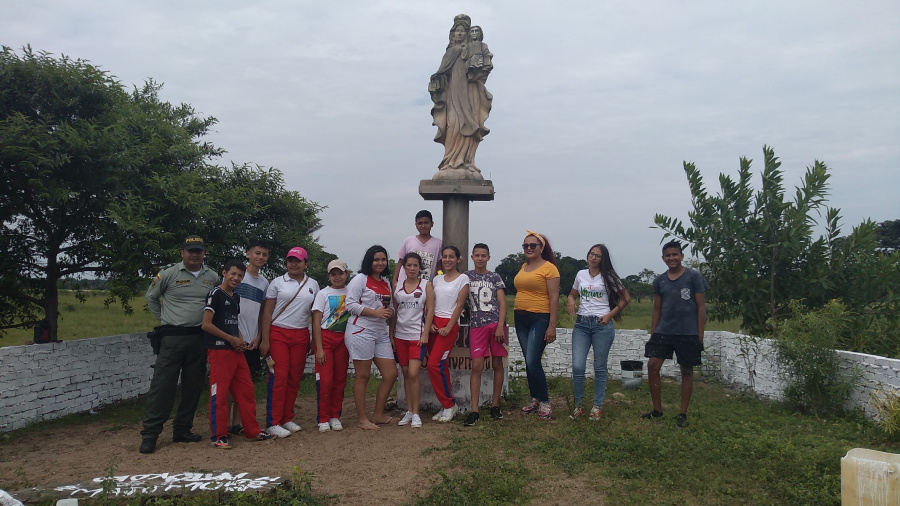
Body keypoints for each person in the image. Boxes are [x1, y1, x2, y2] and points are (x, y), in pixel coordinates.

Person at [140, 235, 219, 454]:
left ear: (204, 254)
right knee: (162, 386)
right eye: (190, 251)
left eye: (198, 251)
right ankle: (150, 434)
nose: (194, 255)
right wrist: (164, 318)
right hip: (172, 338)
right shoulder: (168, 274)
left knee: (193, 386)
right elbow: (151, 297)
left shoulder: (212, 276)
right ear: (182, 252)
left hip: (199, 338)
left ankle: (182, 429)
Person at [201, 259, 276, 448]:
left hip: (235, 350)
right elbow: (206, 324)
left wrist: (240, 340)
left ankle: (252, 431)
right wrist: (230, 339)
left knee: (246, 391)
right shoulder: (215, 294)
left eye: (240, 275)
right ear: (224, 272)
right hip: (219, 350)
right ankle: (218, 436)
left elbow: (234, 323)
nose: (236, 278)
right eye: (233, 274)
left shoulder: (235, 297)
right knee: (219, 394)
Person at [642, 241, 708, 428]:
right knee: (653, 365)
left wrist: (700, 335)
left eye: (675, 254)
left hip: (688, 332)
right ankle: (657, 410)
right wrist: (653, 334)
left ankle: (682, 413)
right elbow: (657, 309)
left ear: (681, 256)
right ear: (663, 258)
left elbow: (701, 307)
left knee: (686, 370)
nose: (671, 258)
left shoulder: (693, 277)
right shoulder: (660, 281)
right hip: (664, 330)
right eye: (668, 255)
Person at [259, 247, 320, 438]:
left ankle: (286, 417)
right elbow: (267, 312)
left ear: (305, 264)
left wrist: (313, 339)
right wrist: (265, 339)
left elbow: (315, 314)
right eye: (290, 260)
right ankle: (273, 422)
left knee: (294, 378)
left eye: (298, 261)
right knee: (279, 377)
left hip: (301, 334)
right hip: (278, 333)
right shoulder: (277, 282)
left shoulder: (313, 284)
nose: (293, 264)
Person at [566, 244, 631, 420]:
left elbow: (626, 298)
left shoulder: (609, 276)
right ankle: (579, 406)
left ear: (603, 259)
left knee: (600, 366)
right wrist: (571, 300)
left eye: (598, 255)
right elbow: (572, 294)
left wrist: (609, 315)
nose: (593, 257)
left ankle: (597, 406)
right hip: (581, 324)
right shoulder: (581, 274)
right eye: (591, 254)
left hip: (601, 324)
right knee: (578, 366)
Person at [428, 14, 492, 174]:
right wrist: (436, 82)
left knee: (470, 123)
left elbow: (482, 70)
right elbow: (442, 75)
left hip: (470, 94)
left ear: (467, 33)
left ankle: (467, 161)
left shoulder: (471, 50)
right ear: (452, 34)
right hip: (452, 96)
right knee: (453, 125)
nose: (459, 33)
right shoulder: (450, 52)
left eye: (463, 31)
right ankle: (450, 160)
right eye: (457, 30)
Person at [345, 245, 399, 430]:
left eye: (383, 259)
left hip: (380, 332)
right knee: (363, 375)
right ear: (369, 260)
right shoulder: (360, 279)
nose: (380, 263)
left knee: (391, 374)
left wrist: (390, 312)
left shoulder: (385, 282)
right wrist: (374, 313)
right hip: (361, 330)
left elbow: (390, 308)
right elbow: (350, 305)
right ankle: (362, 419)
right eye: (376, 259)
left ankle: (377, 414)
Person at [513, 230, 560, 420]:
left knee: (533, 360)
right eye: (526, 245)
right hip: (520, 317)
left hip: (539, 318)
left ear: (542, 248)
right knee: (529, 360)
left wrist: (552, 325)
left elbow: (554, 297)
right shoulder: (524, 266)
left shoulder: (549, 268)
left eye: (533, 245)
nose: (529, 248)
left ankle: (545, 401)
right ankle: (535, 398)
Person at [228, 240, 270, 436]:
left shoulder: (264, 283)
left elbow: (262, 313)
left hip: (252, 341)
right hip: (233, 339)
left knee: (244, 384)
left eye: (264, 254)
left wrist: (259, 337)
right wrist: (236, 335)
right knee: (229, 385)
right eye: (257, 253)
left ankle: (237, 423)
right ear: (248, 253)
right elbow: (228, 309)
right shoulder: (237, 277)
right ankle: (223, 425)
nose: (260, 257)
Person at [463, 243, 507, 426]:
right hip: (476, 325)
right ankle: (474, 409)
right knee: (477, 366)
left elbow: (502, 302)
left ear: (488, 257)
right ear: (472, 257)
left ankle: (495, 404)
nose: (480, 258)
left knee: (497, 363)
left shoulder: (495, 277)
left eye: (483, 255)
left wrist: (500, 326)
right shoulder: (466, 276)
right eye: (477, 255)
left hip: (494, 324)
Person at [425, 245, 469, 422]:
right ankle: (446, 406)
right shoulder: (436, 279)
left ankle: (450, 405)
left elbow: (460, 305)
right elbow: (431, 303)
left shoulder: (463, 279)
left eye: (451, 256)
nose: (447, 260)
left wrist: (449, 327)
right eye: (445, 256)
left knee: (433, 365)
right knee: (440, 366)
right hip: (434, 324)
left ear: (458, 259)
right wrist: (430, 324)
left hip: (448, 325)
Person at [391, 253, 431, 428]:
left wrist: (425, 333)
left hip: (417, 336)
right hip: (400, 336)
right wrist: (391, 334)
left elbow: (430, 310)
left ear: (419, 267)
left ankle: (416, 413)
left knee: (414, 373)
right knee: (406, 373)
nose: (412, 268)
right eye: (409, 265)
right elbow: (394, 312)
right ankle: (409, 410)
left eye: (415, 265)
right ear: (404, 267)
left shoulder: (426, 285)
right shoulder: (397, 286)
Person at [311, 259, 352, 433]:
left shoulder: (351, 292)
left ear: (346, 274)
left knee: (340, 380)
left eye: (340, 273)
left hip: (344, 339)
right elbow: (316, 320)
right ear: (328, 276)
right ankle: (323, 417)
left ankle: (335, 415)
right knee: (325, 380)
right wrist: (319, 347)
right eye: (333, 274)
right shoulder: (323, 294)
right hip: (326, 337)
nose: (337, 277)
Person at [393, 210, 442, 286]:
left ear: (432, 224)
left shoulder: (438, 243)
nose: (423, 226)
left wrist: (436, 282)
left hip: (425, 286)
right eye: (420, 223)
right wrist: (394, 281)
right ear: (416, 225)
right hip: (405, 284)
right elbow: (400, 262)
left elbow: (439, 266)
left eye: (426, 223)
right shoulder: (409, 241)